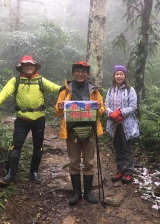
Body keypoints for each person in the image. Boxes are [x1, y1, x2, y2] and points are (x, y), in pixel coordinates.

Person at [0, 55, 64, 184]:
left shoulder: (40, 80)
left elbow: (56, 88)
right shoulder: (15, 81)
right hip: (22, 119)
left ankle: (33, 172)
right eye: (26, 65)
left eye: (31, 65)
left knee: (38, 146)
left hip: (39, 119)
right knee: (16, 146)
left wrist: (68, 86)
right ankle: (10, 174)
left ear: (34, 67)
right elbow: (5, 92)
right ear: (22, 67)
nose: (29, 66)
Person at [54, 61, 105, 205]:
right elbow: (58, 112)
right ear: (73, 73)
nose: (80, 73)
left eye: (83, 71)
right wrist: (59, 107)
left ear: (87, 74)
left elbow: (101, 112)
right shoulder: (65, 91)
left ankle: (88, 193)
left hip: (90, 132)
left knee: (89, 162)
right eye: (77, 70)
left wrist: (99, 107)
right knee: (74, 162)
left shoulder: (94, 91)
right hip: (72, 133)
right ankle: (77, 193)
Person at [105, 65, 139, 184]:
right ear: (114, 76)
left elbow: (133, 107)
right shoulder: (110, 90)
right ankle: (120, 170)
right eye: (117, 74)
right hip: (114, 124)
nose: (119, 76)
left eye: (121, 74)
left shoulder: (130, 90)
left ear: (125, 76)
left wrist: (120, 112)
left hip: (126, 124)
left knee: (127, 148)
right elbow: (106, 105)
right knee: (117, 148)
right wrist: (111, 114)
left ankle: (129, 172)